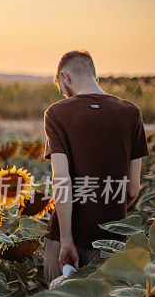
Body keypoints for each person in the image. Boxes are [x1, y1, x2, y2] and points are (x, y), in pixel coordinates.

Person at [43, 50, 149, 282]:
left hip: (65, 237)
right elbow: (132, 189)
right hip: (111, 240)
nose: (66, 96)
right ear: (95, 77)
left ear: (65, 77)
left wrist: (67, 240)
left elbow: (61, 180)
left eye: (63, 90)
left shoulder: (56, 114)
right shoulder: (132, 114)